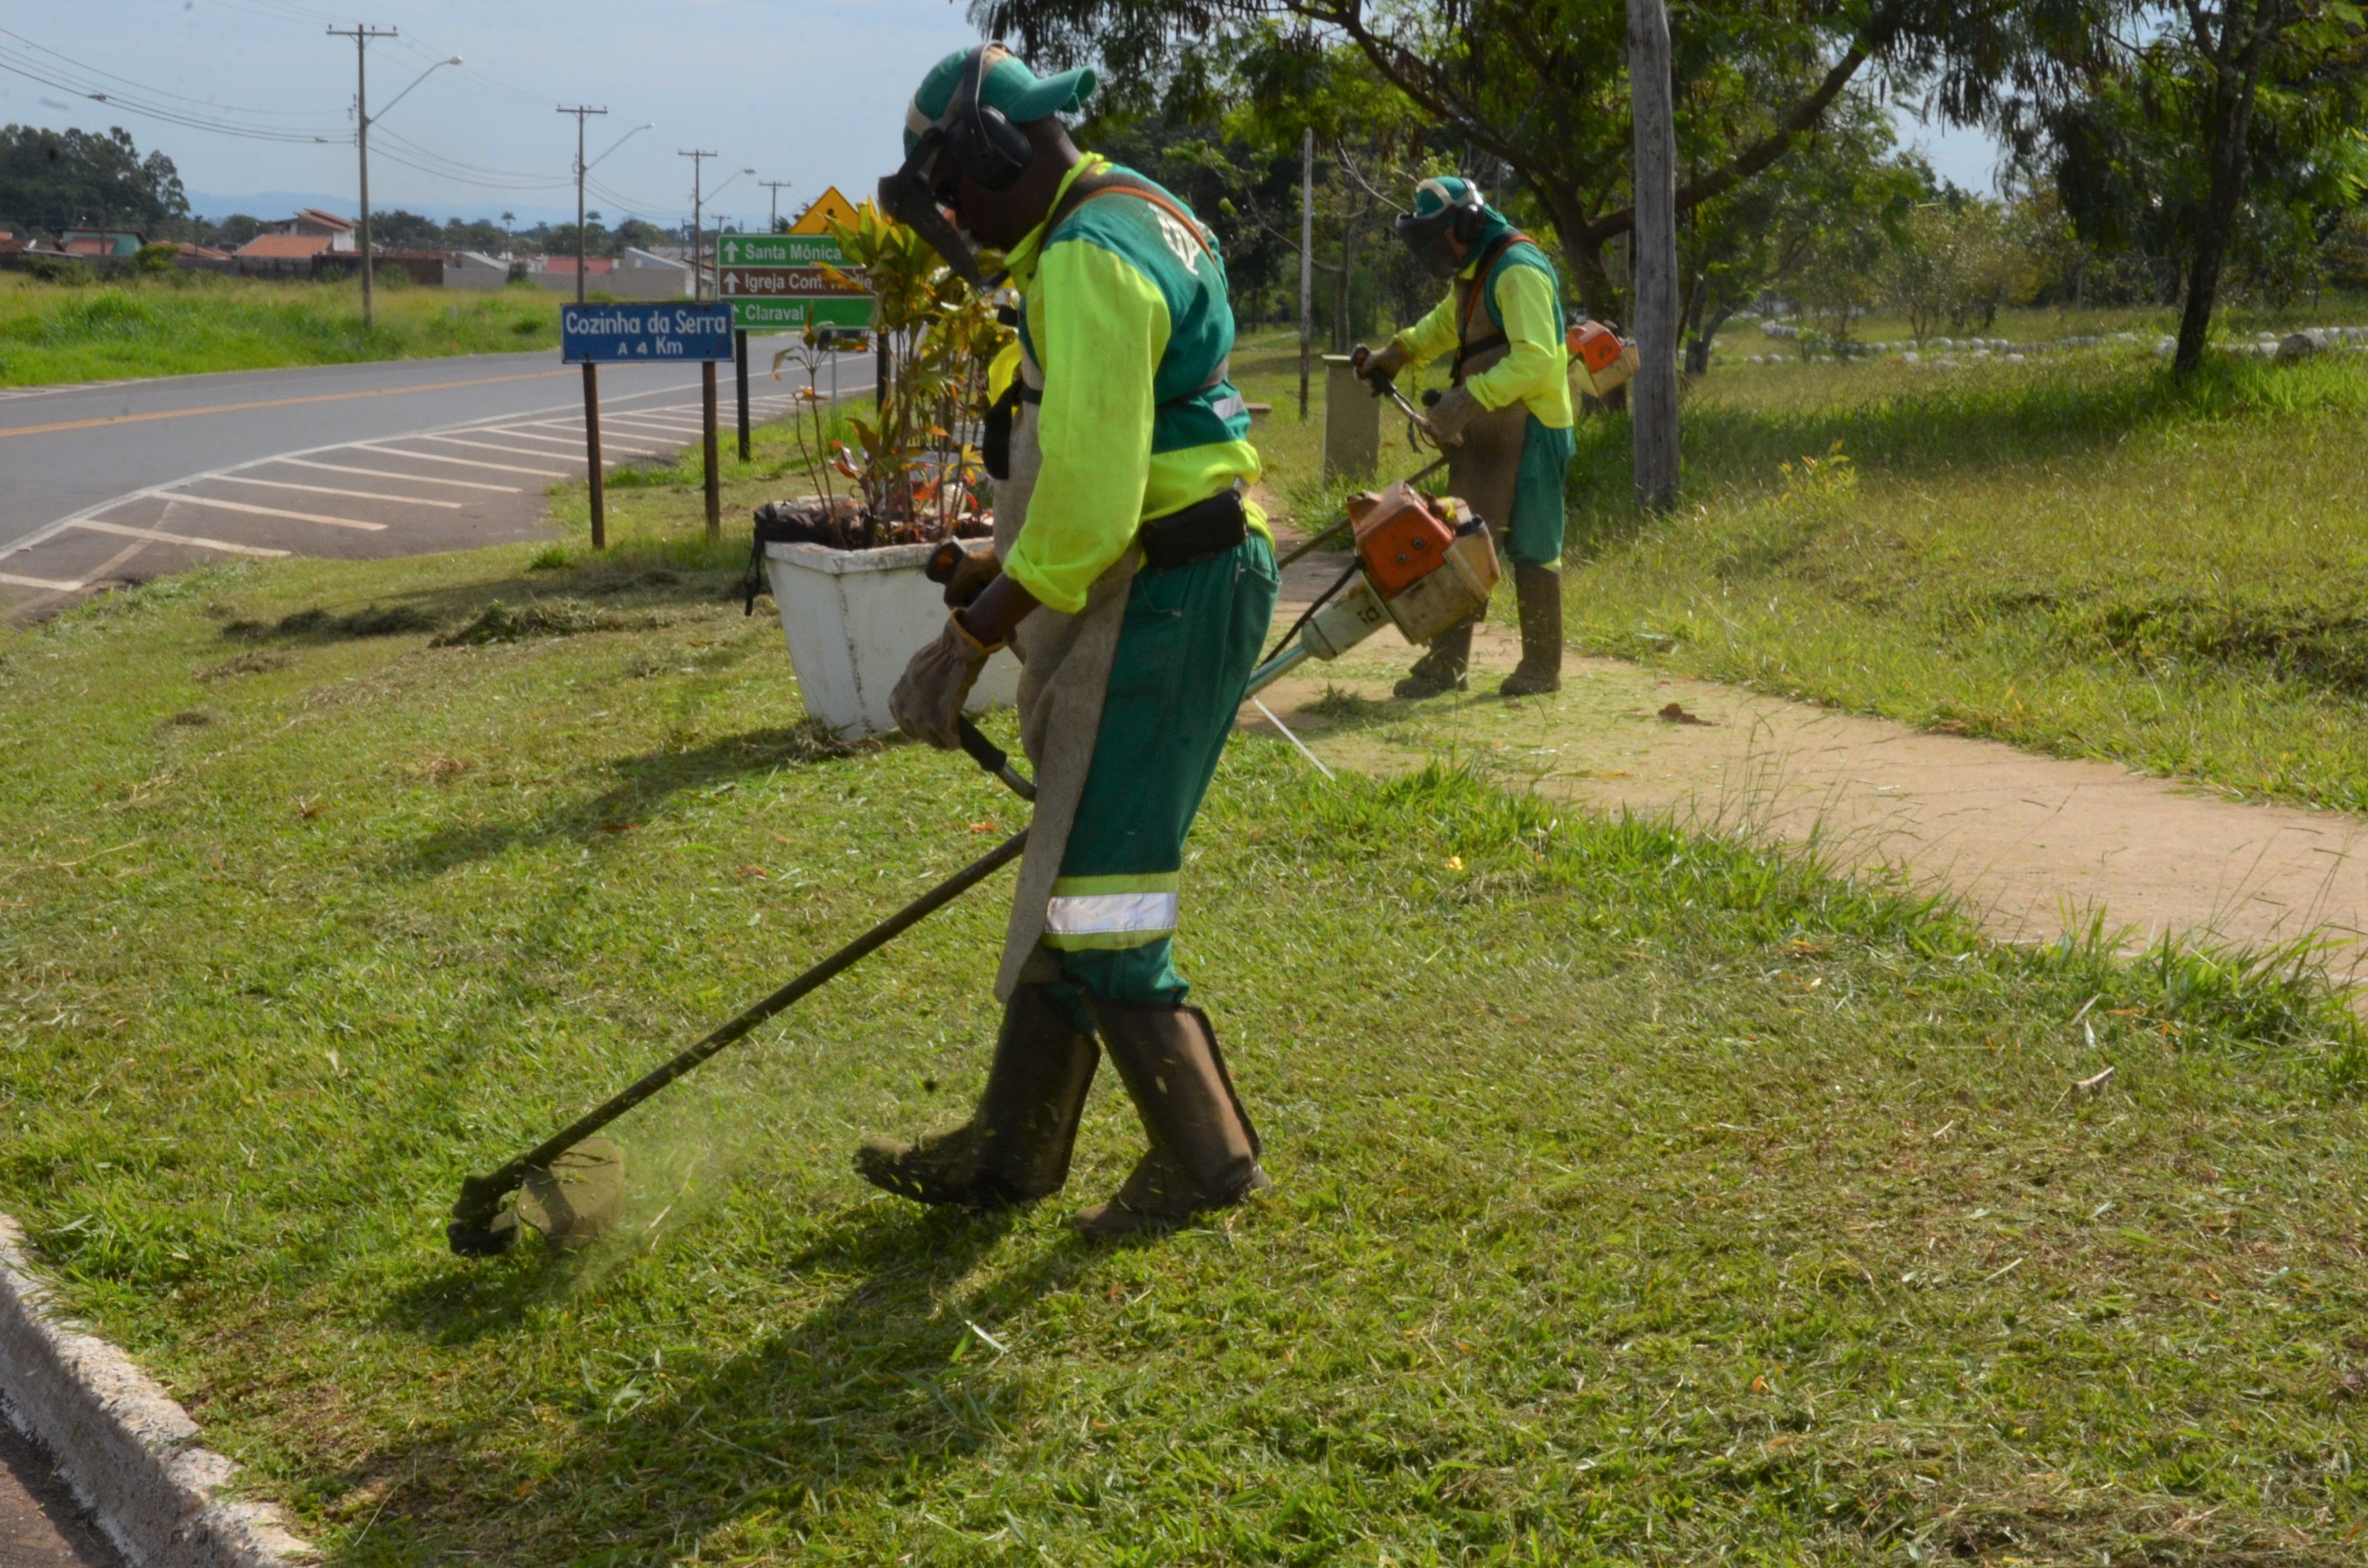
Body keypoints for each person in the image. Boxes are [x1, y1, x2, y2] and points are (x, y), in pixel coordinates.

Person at [857, 44, 1279, 1238]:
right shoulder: (1137, 208)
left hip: (1166, 589)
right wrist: (1004, 571)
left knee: (1103, 896)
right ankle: (1009, 1147)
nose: (957, 220)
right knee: (1073, 877)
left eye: (955, 192)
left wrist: (972, 636)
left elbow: (1091, 505)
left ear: (993, 152)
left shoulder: (1088, 261)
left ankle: (1206, 1162)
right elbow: (1114, 465)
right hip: (1168, 573)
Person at [1357, 177, 1575, 698]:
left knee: (1534, 546)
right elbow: (1448, 326)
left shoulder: (1518, 270)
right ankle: (1446, 666)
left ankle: (1542, 666)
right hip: (1488, 426)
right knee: (1458, 543)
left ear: (1469, 223)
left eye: (1440, 239)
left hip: (1535, 425)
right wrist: (1399, 352)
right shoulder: (1476, 271)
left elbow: (1537, 358)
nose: (1436, 252)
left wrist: (1470, 396)